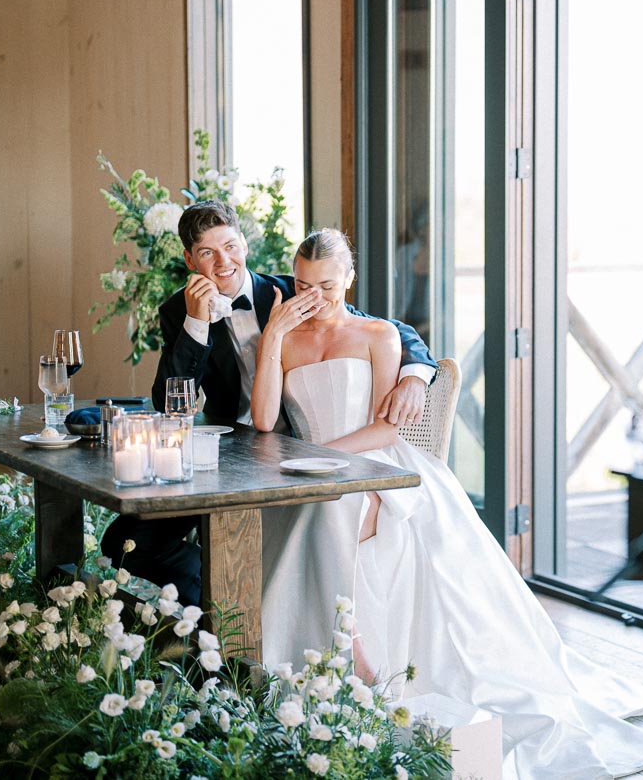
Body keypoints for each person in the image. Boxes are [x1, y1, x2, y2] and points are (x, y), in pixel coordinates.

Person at [253, 228, 643, 779]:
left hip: (374, 464)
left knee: (339, 506)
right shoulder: (287, 337)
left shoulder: (377, 335)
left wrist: (321, 460)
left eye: (328, 285)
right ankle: (334, 659)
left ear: (351, 279)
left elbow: (386, 430)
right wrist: (271, 338)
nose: (315, 296)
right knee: (315, 508)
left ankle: (361, 663)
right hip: (312, 473)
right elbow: (265, 421)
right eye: (303, 283)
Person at [100, 201, 437, 605]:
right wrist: (196, 324)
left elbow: (385, 328)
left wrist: (415, 375)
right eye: (207, 252)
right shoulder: (178, 311)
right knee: (127, 540)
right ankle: (222, 602)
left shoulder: (291, 288)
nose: (224, 261)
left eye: (230, 246)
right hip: (230, 457)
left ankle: (241, 605)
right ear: (190, 260)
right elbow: (170, 403)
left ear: (244, 244)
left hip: (303, 451)